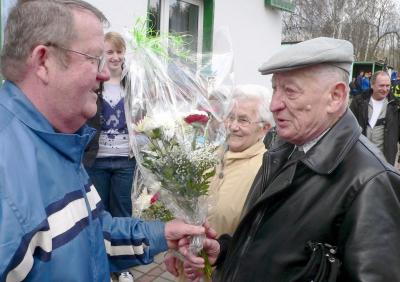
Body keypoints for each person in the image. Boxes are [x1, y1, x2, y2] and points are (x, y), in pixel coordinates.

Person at [0, 1, 205, 281]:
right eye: (94, 58)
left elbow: (92, 233)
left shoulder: (59, 141)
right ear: (43, 61)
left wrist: (162, 233)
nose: (105, 73)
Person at [179, 37, 400, 281]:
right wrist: (224, 251)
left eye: (290, 92)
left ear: (336, 96)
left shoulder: (371, 182)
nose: (274, 105)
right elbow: (270, 245)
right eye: (275, 89)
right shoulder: (283, 149)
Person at [207, 84, 273, 236]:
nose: (233, 126)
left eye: (243, 120)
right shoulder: (208, 157)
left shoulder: (266, 170)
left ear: (265, 128)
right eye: (230, 117)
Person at [84, 31, 135, 219]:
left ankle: (123, 249)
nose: (115, 57)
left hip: (125, 160)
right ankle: (103, 249)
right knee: (98, 213)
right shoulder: (94, 82)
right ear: (102, 54)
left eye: (119, 52)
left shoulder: (133, 84)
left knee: (122, 212)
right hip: (97, 158)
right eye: (110, 52)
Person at [350, 71, 400, 166]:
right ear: (372, 85)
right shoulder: (359, 102)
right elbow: (348, 128)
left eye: (387, 85)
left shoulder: (395, 106)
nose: (385, 89)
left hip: (385, 161)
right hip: (360, 158)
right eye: (381, 85)